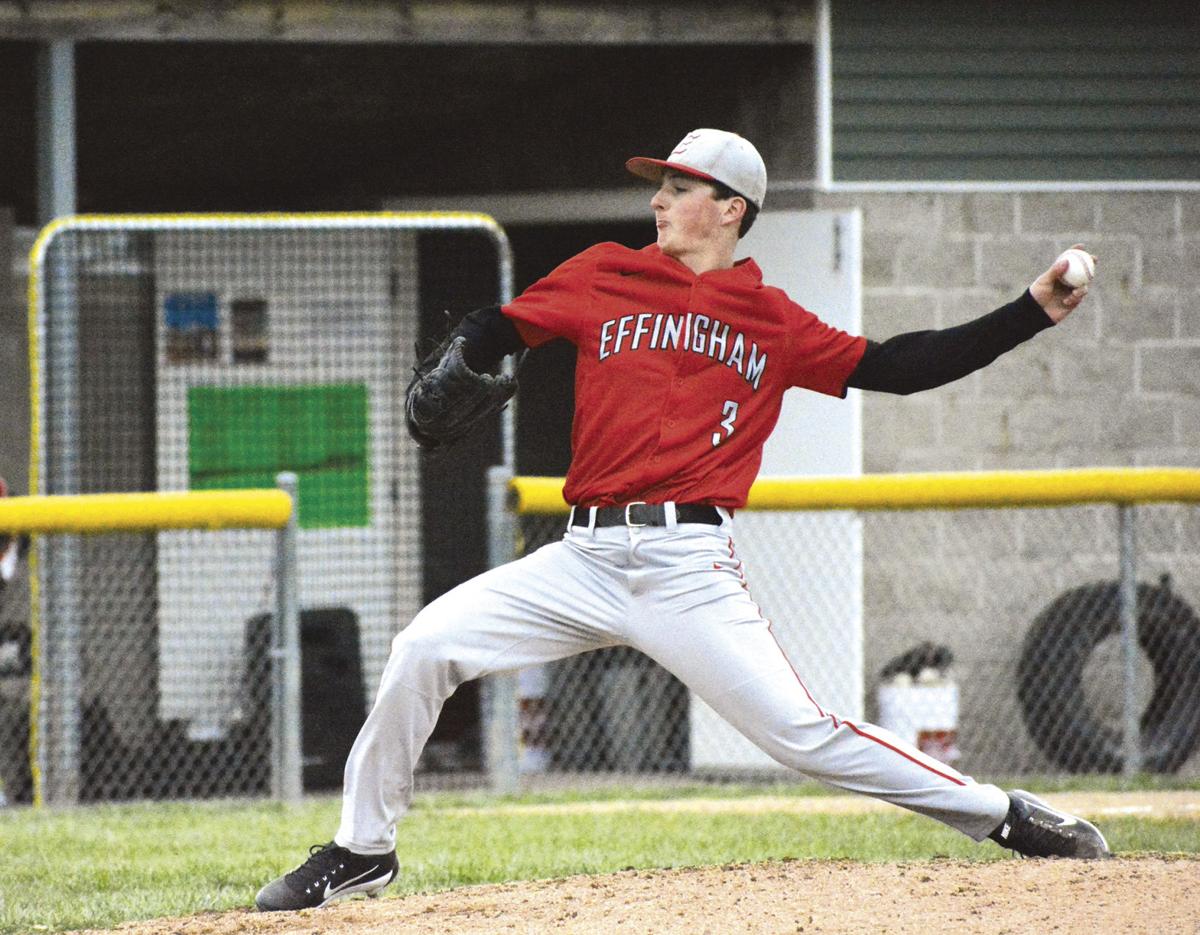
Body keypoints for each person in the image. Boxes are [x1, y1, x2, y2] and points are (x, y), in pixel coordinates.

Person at [255, 128, 1108, 912]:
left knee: (804, 735)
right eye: (660, 186)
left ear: (730, 209)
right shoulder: (603, 273)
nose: (659, 201)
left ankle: (1003, 815)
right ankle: (363, 848)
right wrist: (473, 352)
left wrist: (1030, 308)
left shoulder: (771, 320)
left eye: (679, 186)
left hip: (687, 567)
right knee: (422, 648)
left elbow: (904, 365)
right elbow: (500, 323)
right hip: (581, 558)